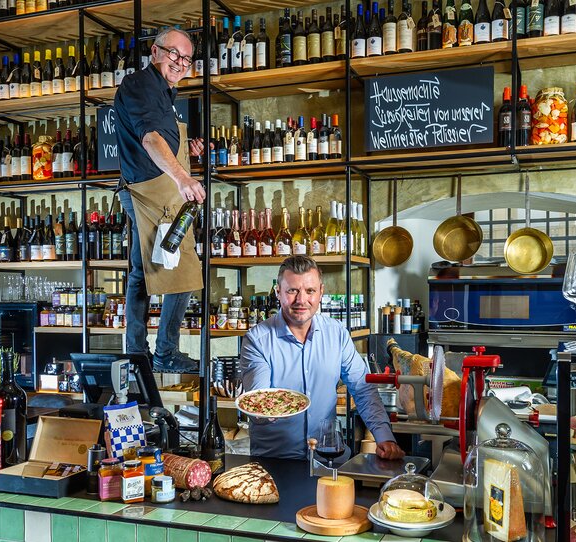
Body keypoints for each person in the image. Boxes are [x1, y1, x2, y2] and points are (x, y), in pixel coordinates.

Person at [241, 255, 405, 460]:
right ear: (278, 293)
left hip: (328, 456)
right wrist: (265, 414)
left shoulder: (336, 333)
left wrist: (384, 437)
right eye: (292, 290)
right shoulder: (257, 340)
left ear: (321, 292)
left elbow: (363, 389)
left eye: (310, 291)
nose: (301, 300)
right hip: (277, 461)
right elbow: (260, 399)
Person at [114, 27, 207, 373]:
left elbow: (162, 138)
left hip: (158, 192)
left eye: (186, 58)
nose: (180, 63)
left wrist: (187, 152)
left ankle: (138, 352)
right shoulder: (140, 85)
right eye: (173, 54)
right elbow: (151, 139)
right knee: (183, 268)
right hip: (152, 195)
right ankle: (163, 351)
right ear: (154, 52)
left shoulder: (164, 93)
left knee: (142, 272)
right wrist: (182, 177)